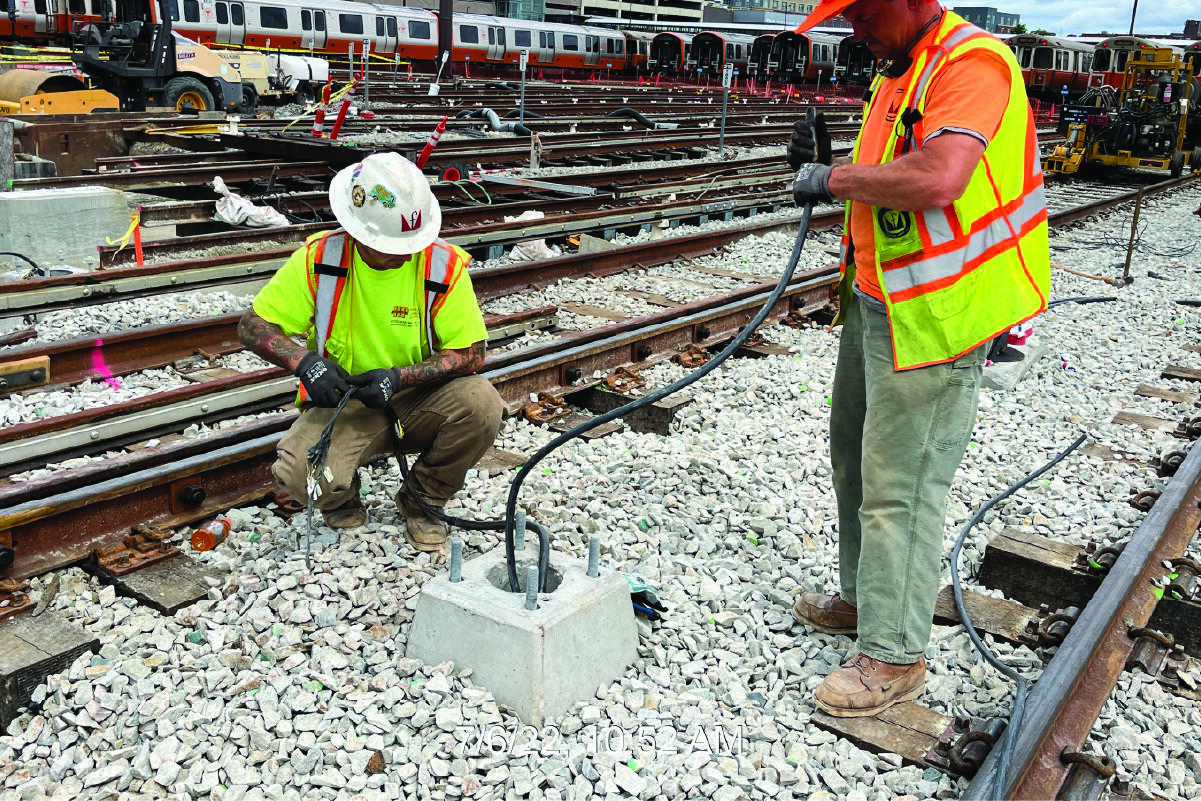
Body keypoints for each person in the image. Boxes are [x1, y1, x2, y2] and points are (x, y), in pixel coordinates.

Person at [786, 0, 1050, 716]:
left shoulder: (970, 64)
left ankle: (894, 654)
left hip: (939, 315)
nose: (855, 29)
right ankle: (862, 597)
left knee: (899, 486)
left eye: (865, 12)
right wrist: (834, 167)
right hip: (879, 299)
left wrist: (829, 179)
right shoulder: (900, 64)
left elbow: (938, 178)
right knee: (852, 457)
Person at [238, 153, 504, 552]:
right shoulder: (320, 259)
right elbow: (252, 326)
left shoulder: (442, 265)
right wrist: (306, 365)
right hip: (344, 404)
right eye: (390, 245)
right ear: (356, 230)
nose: (404, 253)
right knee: (300, 476)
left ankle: (424, 497)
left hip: (419, 398)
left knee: (483, 404)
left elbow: (472, 352)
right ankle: (341, 496)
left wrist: (399, 378)